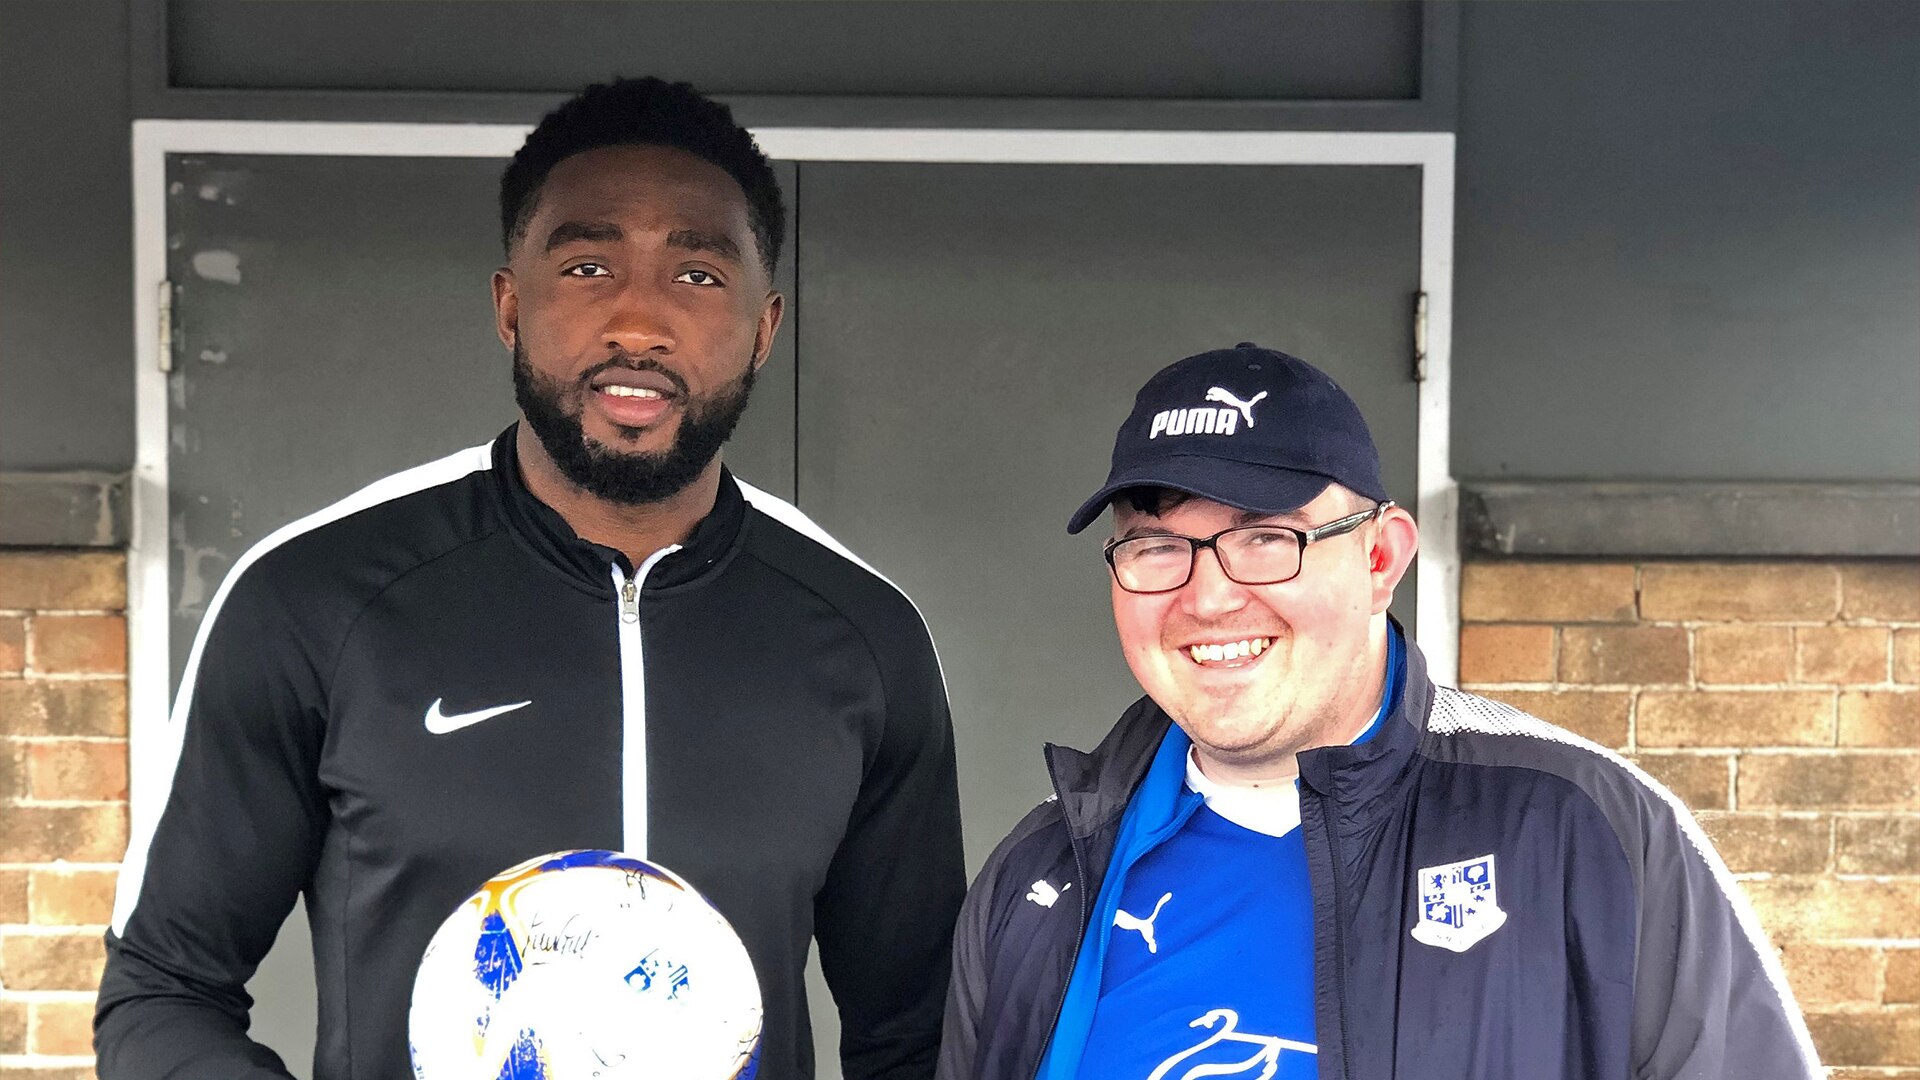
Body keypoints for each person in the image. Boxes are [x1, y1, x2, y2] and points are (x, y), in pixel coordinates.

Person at [96, 77, 965, 1080]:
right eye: (589, 264)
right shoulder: (313, 598)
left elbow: (918, 1029)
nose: (637, 323)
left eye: (697, 275)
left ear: (765, 328)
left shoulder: (864, 633)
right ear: (510, 306)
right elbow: (163, 989)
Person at [936, 343, 1818, 1080]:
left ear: (1381, 559)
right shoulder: (1040, 877)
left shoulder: (1587, 829)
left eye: (1262, 539)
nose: (1207, 599)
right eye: (1159, 545)